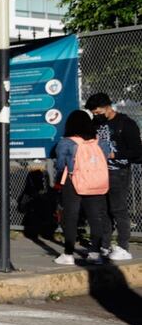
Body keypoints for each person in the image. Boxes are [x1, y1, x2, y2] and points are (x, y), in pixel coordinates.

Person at [53, 109, 112, 265]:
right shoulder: (100, 142)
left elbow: (60, 165)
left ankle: (68, 254)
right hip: (96, 182)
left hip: (74, 181)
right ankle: (95, 253)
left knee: (71, 217)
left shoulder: (66, 142)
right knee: (95, 217)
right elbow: (106, 157)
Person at [86, 93, 140, 262]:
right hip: (99, 172)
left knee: (118, 209)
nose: (96, 116)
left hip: (118, 172)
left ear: (108, 107)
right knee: (103, 211)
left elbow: (138, 152)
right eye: (93, 113)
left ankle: (123, 246)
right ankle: (104, 245)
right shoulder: (96, 124)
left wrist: (113, 154)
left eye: (98, 112)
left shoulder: (126, 124)